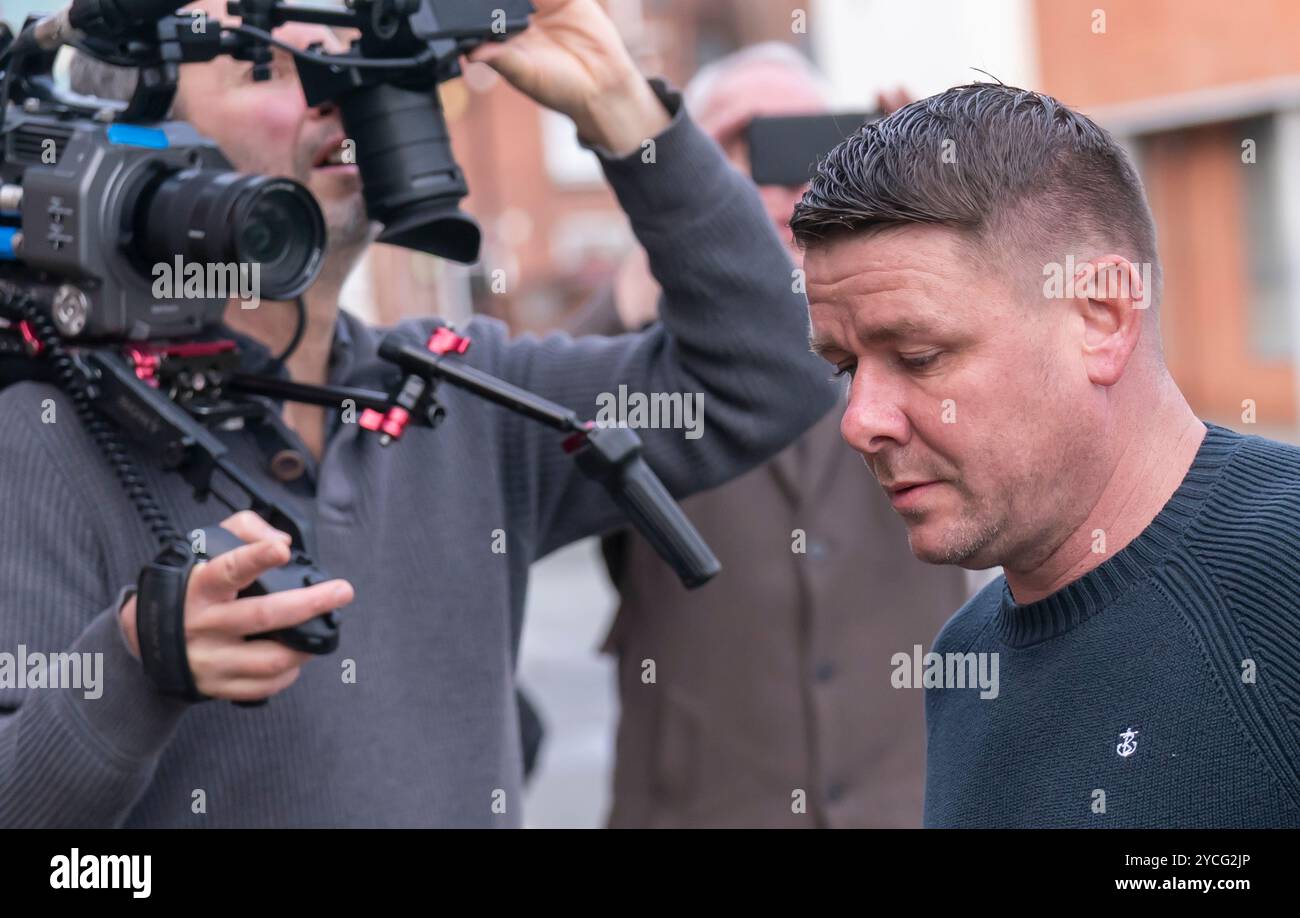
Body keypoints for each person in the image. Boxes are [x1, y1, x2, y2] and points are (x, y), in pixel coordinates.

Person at [0, 0, 834, 827]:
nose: (338, 90)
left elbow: (770, 371)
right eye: (270, 64)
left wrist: (621, 110)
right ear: (137, 132)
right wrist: (137, 665)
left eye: (347, 55)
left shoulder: (460, 388)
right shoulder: (47, 433)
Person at [792, 82, 1300, 828]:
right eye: (845, 368)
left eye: (921, 355)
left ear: (1101, 316)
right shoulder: (965, 663)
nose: (861, 421)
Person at [569, 44, 968, 828]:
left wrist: (936, 223)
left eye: (806, 147)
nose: (780, 186)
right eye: (734, 156)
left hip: (907, 797)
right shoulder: (648, 342)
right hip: (696, 803)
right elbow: (542, 445)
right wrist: (668, 243)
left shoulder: (909, 331)